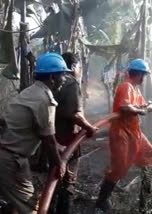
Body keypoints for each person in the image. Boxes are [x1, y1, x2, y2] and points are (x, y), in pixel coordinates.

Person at [0, 53, 70, 214]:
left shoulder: (32, 91)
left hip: (3, 153)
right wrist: (59, 164)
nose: (64, 79)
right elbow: (48, 140)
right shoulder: (45, 100)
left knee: (19, 203)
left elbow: (43, 132)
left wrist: (59, 150)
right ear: (52, 77)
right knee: (30, 207)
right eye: (62, 74)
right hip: (7, 159)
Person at [95, 59, 152, 212]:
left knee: (148, 154)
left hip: (134, 131)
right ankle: (102, 200)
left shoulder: (135, 90)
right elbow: (125, 108)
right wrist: (139, 111)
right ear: (138, 74)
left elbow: (146, 107)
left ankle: (146, 194)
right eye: (143, 75)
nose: (144, 78)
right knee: (119, 168)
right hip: (121, 133)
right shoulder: (126, 87)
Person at [52, 52, 98, 214]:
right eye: (79, 67)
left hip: (50, 141)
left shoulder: (50, 82)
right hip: (66, 142)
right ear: (73, 67)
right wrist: (89, 127)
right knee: (67, 183)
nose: (80, 70)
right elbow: (75, 114)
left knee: (51, 182)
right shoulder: (71, 83)